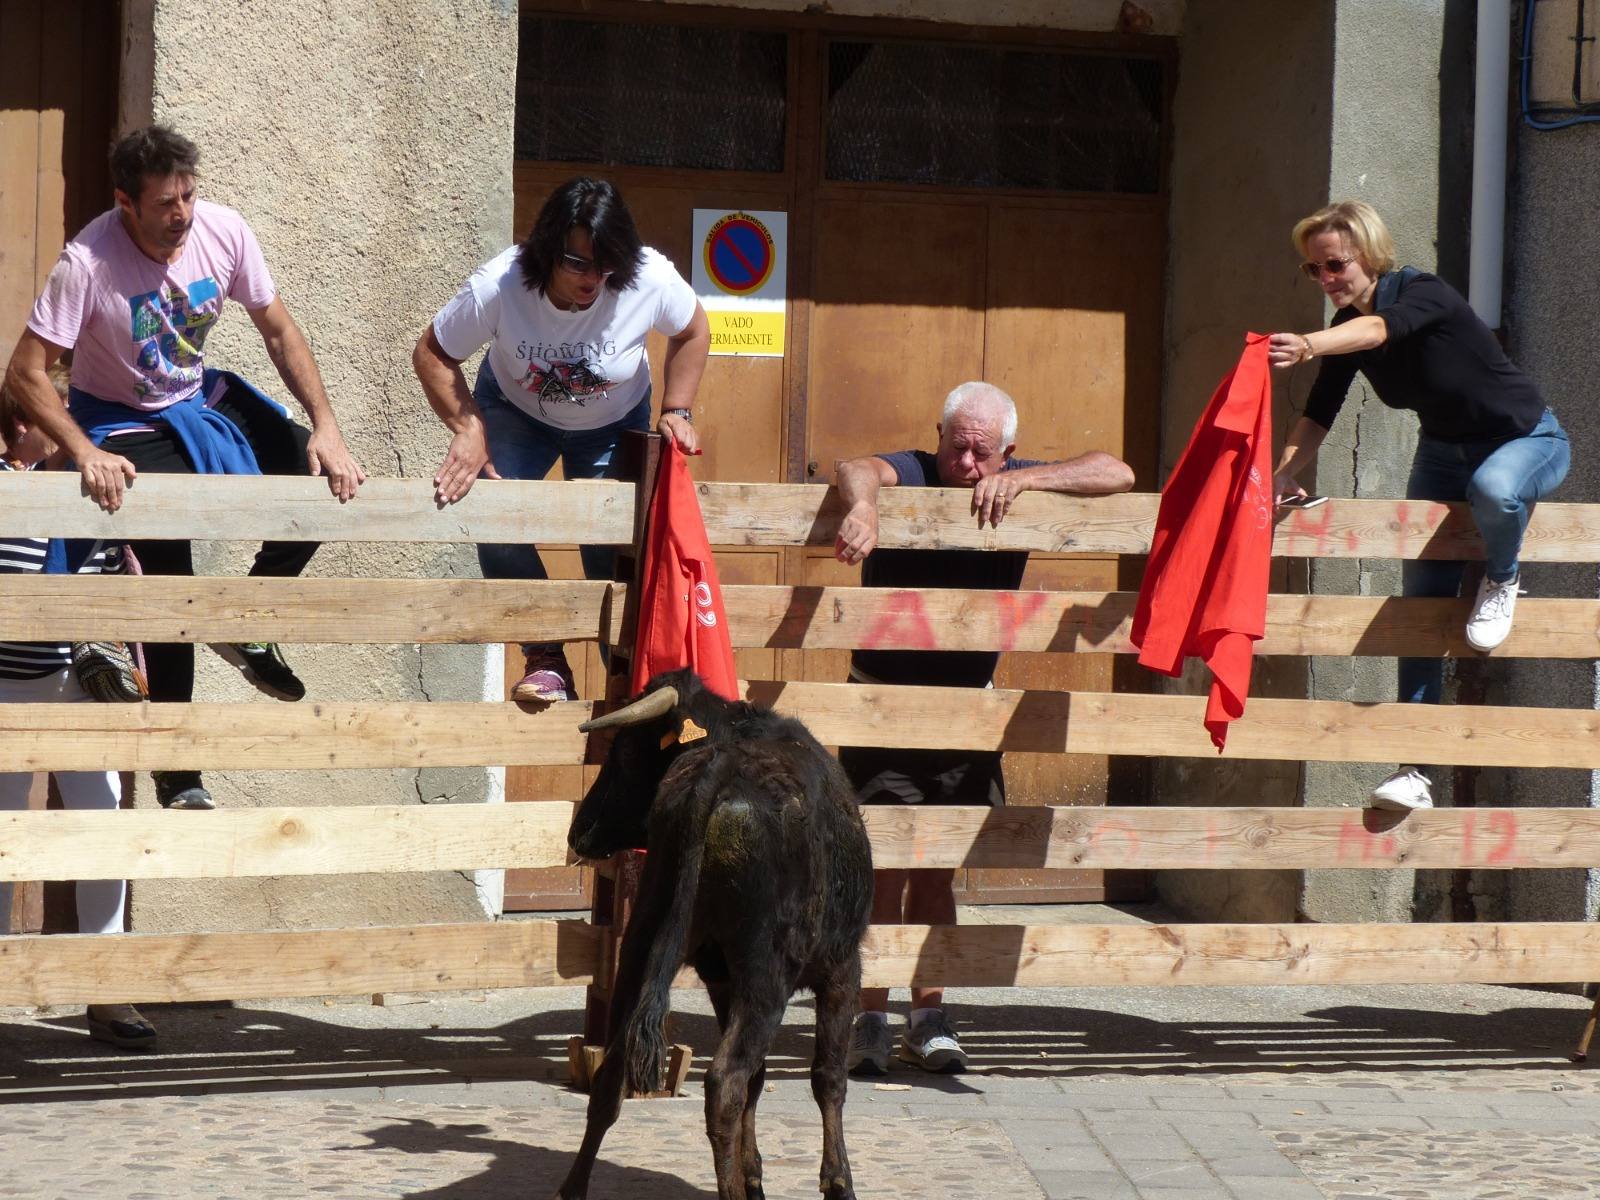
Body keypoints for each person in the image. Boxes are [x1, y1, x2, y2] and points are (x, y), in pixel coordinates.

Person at [2, 125, 367, 812]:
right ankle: (178, 773)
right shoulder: (87, 261)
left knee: (319, 482)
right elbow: (24, 373)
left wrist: (327, 427)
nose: (182, 216)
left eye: (189, 197)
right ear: (125, 203)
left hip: (198, 398)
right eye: (166, 204)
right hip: (115, 418)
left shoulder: (224, 232)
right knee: (171, 576)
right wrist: (82, 450)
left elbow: (279, 330)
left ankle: (247, 617)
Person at [833, 382, 1134, 1074]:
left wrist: (1030, 484)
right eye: (956, 446)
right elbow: (857, 467)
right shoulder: (912, 469)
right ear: (937, 434)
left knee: (938, 869)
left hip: (969, 713)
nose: (966, 466)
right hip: (884, 707)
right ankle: (869, 1019)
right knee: (881, 868)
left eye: (982, 454)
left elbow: (1116, 470)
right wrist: (863, 508)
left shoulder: (1016, 477)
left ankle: (930, 1017)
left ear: (1007, 453)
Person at [1267, 200, 1570, 813]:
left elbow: (1381, 330)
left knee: (1494, 489)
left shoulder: (1420, 293)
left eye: (1335, 265)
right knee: (1420, 604)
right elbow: (1320, 413)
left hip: (1526, 440)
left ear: (1370, 255)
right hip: (1441, 454)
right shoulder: (1347, 328)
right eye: (1313, 271)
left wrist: (1307, 343)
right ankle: (1414, 771)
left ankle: (1503, 577)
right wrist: (1276, 477)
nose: (1326, 280)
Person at [414, 177, 710, 704]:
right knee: (494, 513)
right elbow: (433, 353)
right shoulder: (500, 285)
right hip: (514, 410)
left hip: (612, 422)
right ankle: (545, 656)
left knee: (609, 552)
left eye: (607, 266)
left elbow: (693, 331)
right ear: (548, 251)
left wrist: (676, 409)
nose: (594, 279)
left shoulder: (649, 278)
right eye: (578, 264)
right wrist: (469, 428)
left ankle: (628, 684)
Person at [0, 376, 156, 1049]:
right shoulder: (6, 481)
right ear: (22, 420)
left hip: (81, 685)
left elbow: (124, 576)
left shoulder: (95, 483)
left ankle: (107, 988)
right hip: (6, 686)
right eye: (54, 416)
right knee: (3, 838)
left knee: (103, 827)